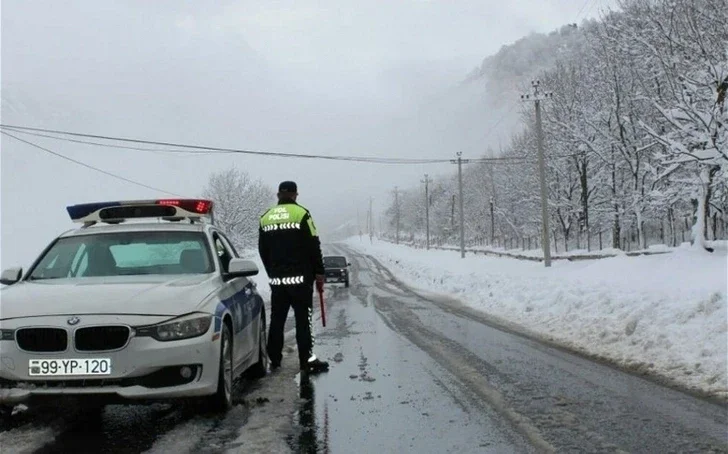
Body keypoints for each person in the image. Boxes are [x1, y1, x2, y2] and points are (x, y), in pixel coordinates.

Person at [259, 181, 330, 374]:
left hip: (278, 281)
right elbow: (313, 245)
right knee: (303, 321)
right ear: (295, 195)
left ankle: (274, 359)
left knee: (277, 321)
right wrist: (319, 273)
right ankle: (306, 360)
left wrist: (272, 271)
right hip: (301, 281)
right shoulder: (302, 214)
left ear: (278, 195)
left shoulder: (265, 217)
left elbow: (263, 250)